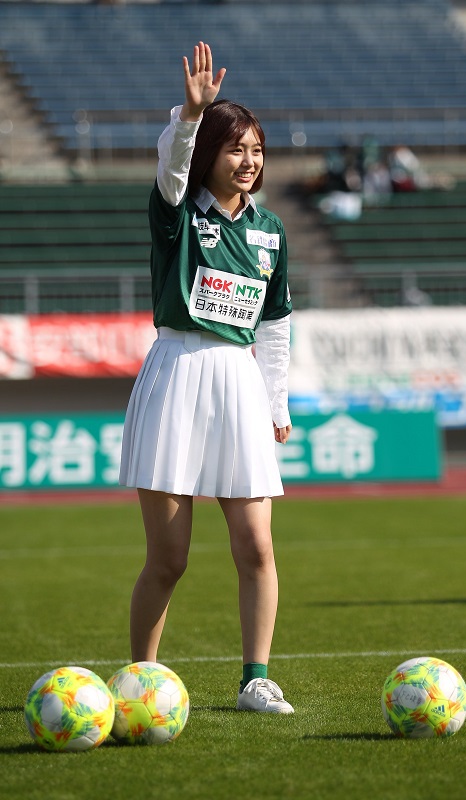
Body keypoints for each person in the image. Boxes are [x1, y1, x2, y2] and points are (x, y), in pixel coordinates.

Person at [119, 42, 294, 714]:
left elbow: (274, 325)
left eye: (256, 150)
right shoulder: (176, 210)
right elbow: (171, 164)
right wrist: (190, 117)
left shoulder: (271, 231)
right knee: (169, 558)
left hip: (239, 384)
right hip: (177, 374)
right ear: (208, 154)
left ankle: (255, 679)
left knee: (257, 547)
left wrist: (276, 403)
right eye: (234, 148)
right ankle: (141, 679)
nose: (248, 161)